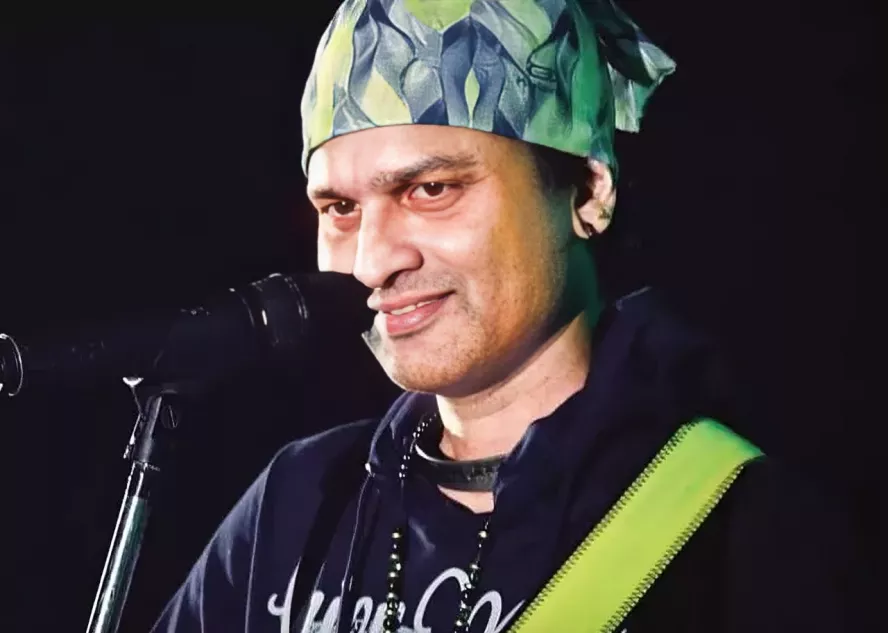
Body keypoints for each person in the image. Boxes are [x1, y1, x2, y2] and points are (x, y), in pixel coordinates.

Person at [152, 1, 852, 631]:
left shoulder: (740, 532)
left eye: (431, 189)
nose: (371, 263)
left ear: (587, 191)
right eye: (339, 208)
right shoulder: (299, 504)